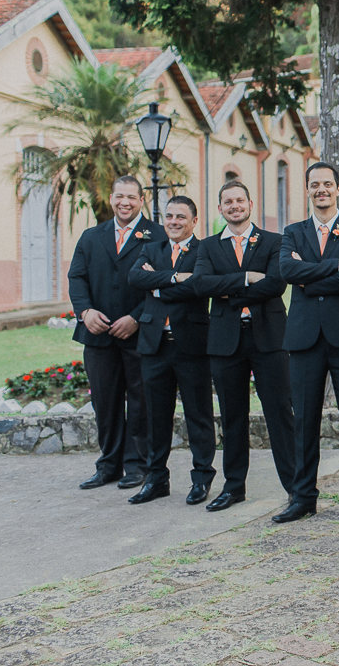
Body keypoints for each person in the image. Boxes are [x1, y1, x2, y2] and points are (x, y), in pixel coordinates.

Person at [191, 181, 297, 511]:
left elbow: (276, 284)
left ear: (250, 203)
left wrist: (230, 295)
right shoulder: (208, 247)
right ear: (220, 208)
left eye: (240, 200)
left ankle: (296, 489)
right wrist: (245, 278)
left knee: (280, 413)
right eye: (227, 202)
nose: (234, 205)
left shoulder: (273, 241)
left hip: (269, 338)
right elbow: (199, 284)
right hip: (226, 341)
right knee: (232, 416)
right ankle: (234, 486)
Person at [277, 162, 339, 523]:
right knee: (304, 421)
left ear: (337, 188)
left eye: (327, 184)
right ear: (307, 190)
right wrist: (335, 266)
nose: (321, 190)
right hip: (304, 337)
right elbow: (287, 271)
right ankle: (303, 497)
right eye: (315, 184)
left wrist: (310, 278)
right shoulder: (292, 232)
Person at [68, 175, 165, 491]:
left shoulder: (157, 236)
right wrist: (85, 312)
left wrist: (137, 318)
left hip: (138, 334)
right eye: (119, 196)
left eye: (132, 197)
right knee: (105, 403)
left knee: (140, 403)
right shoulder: (91, 236)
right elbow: (77, 278)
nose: (125, 202)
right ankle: (108, 464)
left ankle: (138, 465)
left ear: (141, 200)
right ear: (111, 198)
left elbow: (163, 283)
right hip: (97, 334)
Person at [126, 196, 216, 506]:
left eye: (180, 216)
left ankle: (202, 478)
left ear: (194, 221)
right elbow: (135, 277)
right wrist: (176, 277)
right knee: (156, 416)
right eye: (169, 216)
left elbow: (199, 286)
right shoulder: (152, 248)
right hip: (155, 344)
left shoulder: (204, 250)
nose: (173, 222)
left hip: (191, 343)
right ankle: (157, 480)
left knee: (198, 415)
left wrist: (158, 285)